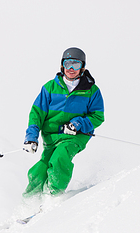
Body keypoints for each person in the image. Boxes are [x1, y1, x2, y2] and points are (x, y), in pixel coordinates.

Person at [22, 47, 105, 198]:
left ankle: (53, 195)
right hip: (51, 136)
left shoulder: (91, 91)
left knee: (60, 158)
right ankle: (30, 202)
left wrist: (78, 124)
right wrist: (31, 137)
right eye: (68, 64)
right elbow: (36, 114)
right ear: (62, 66)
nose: (71, 69)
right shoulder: (50, 88)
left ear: (83, 67)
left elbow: (98, 116)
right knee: (40, 169)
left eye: (76, 64)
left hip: (75, 136)